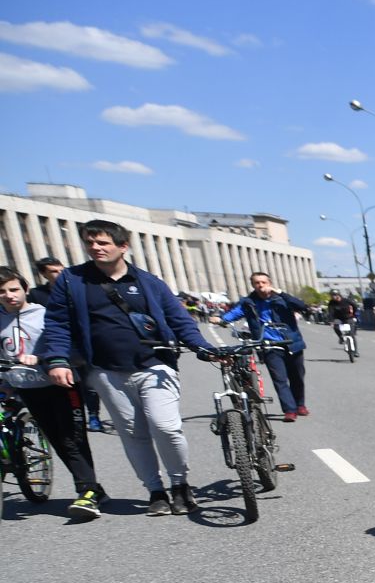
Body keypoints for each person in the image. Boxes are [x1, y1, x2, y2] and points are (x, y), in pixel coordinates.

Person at [39, 218, 215, 517]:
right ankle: (155, 491)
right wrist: (56, 359)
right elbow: (57, 323)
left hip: (155, 365)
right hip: (106, 370)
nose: (95, 248)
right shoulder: (71, 281)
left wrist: (205, 348)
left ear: (122, 246)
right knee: (134, 433)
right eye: (90, 242)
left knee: (166, 427)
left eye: (103, 242)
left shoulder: (149, 282)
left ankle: (180, 484)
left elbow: (179, 319)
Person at [0, 266, 105, 520]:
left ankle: (87, 492)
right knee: (57, 441)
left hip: (61, 385)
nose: (8, 295)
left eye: (13, 289)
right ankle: (91, 486)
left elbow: (72, 348)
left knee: (72, 439)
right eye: (1, 292)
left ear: (25, 289)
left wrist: (43, 357)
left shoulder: (46, 314)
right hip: (25, 388)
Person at [219, 272, 310, 420]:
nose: (260, 286)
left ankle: (300, 404)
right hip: (268, 345)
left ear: (269, 283)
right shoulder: (248, 302)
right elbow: (234, 313)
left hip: (291, 343)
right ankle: (290, 410)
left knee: (297, 377)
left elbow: (301, 306)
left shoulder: (281, 298)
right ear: (253, 285)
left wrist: (280, 292)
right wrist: (221, 319)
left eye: (263, 282)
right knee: (279, 378)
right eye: (257, 283)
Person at [29, 256, 105, 433]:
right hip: (55, 344)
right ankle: (74, 418)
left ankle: (94, 415)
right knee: (66, 383)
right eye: (53, 271)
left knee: (89, 384)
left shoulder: (75, 289)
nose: (59, 274)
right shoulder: (37, 294)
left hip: (80, 344)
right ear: (43, 274)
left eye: (61, 270)